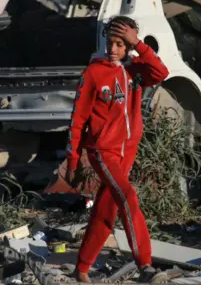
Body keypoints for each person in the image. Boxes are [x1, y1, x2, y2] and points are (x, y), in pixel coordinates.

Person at [66, 16, 170, 283]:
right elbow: (77, 121)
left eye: (121, 44)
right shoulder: (94, 73)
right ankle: (145, 265)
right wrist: (73, 162)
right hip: (102, 150)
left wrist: (139, 44)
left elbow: (161, 73)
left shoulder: (136, 71)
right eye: (110, 43)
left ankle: (82, 269)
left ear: (129, 46)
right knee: (127, 197)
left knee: (106, 209)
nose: (113, 50)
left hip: (128, 152)